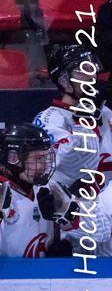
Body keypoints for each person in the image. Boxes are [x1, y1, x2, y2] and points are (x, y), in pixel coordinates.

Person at [0, 124, 81, 258]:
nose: (44, 165)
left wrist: (67, 227)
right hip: (9, 278)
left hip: (48, 277)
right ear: (13, 158)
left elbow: (90, 234)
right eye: (38, 158)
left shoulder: (50, 188)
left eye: (46, 157)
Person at [33, 44, 112, 188]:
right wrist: (86, 116)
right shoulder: (48, 119)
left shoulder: (106, 112)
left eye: (92, 68)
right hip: (76, 205)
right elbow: (74, 164)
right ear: (65, 81)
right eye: (84, 70)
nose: (92, 76)